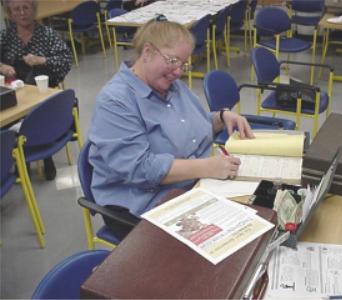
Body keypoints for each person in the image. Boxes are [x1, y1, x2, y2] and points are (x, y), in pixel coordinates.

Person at [88, 16, 254, 240]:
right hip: (141, 205)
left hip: (193, 186)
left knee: (254, 212)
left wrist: (222, 117)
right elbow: (141, 168)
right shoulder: (116, 101)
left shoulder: (172, 86)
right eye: (173, 60)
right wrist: (207, 167)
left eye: (184, 64)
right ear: (147, 52)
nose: (179, 72)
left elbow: (194, 126)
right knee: (232, 238)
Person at [0, 0, 73, 180]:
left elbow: (66, 60)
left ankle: (45, 156)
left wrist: (42, 60)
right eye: (17, 9)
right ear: (10, 14)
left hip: (42, 93)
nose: (22, 13)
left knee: (37, 115)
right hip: (15, 93)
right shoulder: (5, 36)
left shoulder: (47, 34)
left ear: (34, 10)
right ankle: (17, 155)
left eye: (26, 8)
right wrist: (2, 66)